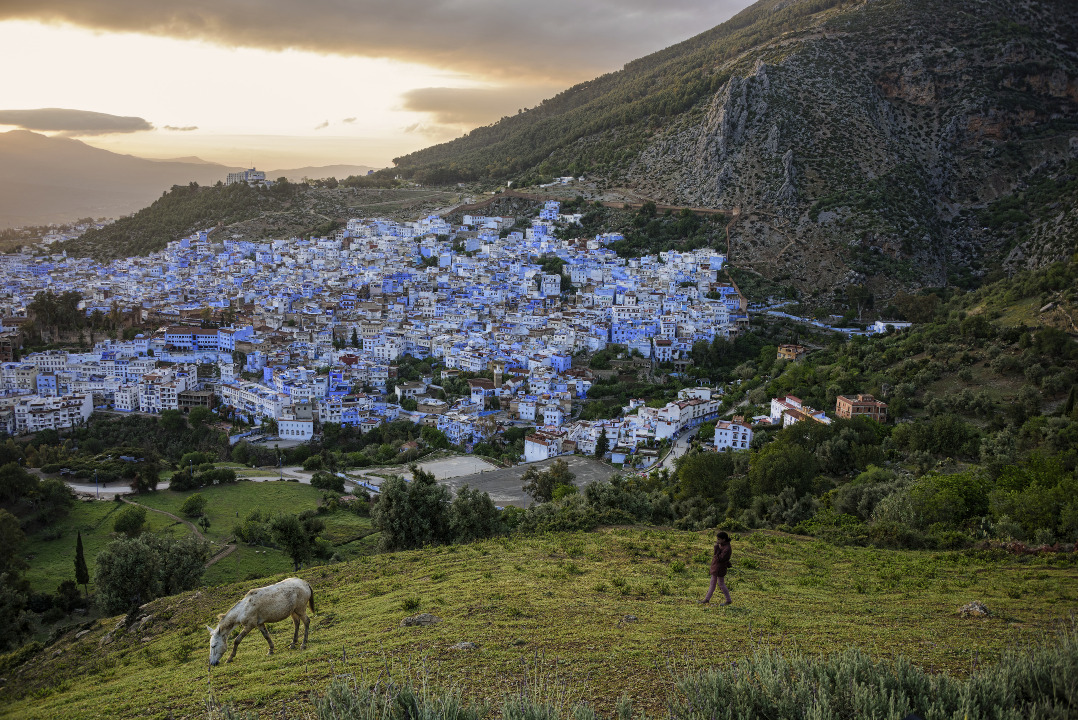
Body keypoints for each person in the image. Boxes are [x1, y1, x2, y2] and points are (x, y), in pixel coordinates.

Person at [701, 530, 732, 605]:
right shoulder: (722, 545)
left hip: (720, 568)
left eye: (719, 539)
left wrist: (716, 549)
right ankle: (707, 599)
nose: (717, 541)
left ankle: (728, 600)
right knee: (713, 583)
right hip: (716, 567)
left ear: (723, 539)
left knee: (721, 584)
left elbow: (721, 558)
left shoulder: (727, 548)